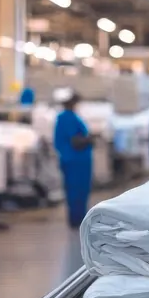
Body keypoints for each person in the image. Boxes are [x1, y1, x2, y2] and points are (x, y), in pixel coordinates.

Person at [53, 88, 93, 229]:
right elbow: (75, 141)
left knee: (75, 190)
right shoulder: (68, 118)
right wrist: (89, 139)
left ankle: (77, 218)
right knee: (77, 190)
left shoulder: (65, 117)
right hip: (76, 161)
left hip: (73, 160)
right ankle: (77, 219)